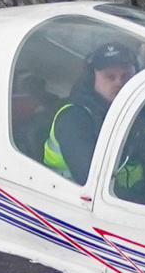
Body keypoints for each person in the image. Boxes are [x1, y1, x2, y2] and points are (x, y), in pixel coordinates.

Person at [42, 42, 140, 185]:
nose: (119, 83)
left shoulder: (138, 108)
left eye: (125, 76)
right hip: (73, 201)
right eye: (110, 77)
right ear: (91, 78)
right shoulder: (74, 118)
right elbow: (91, 181)